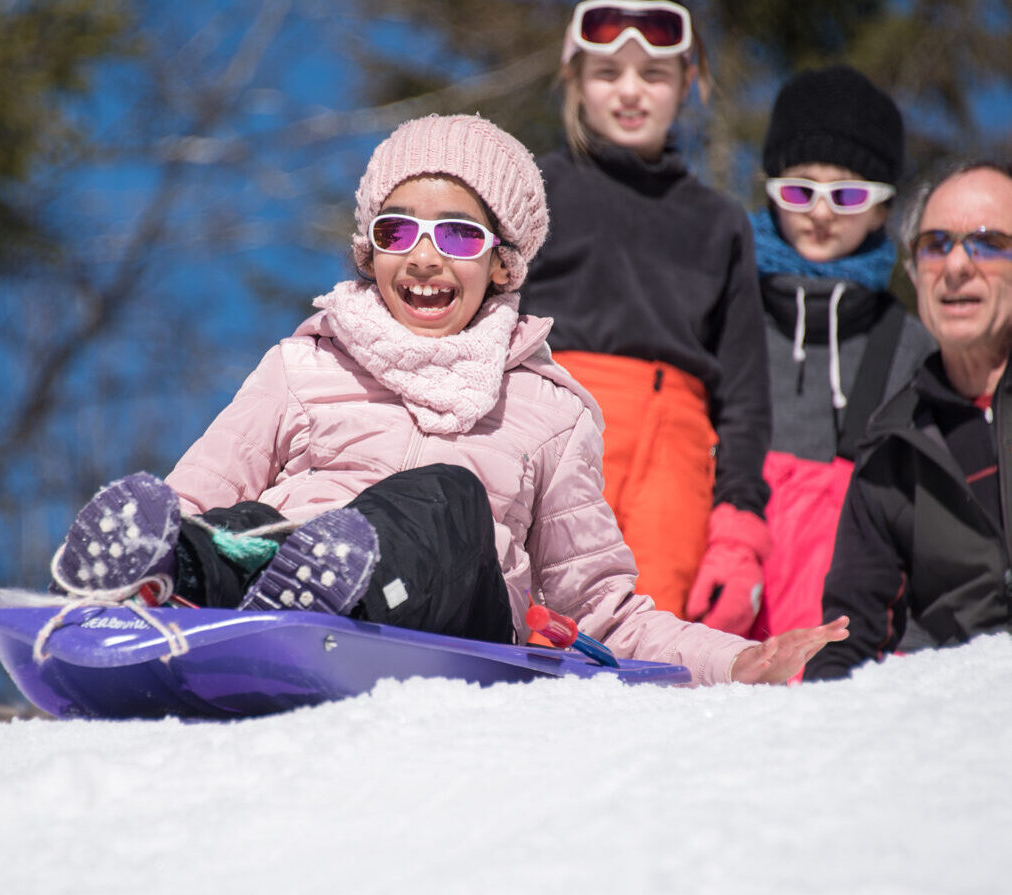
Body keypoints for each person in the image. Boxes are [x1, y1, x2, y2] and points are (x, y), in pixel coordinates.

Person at [47, 112, 846, 685]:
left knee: (447, 495)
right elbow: (196, 497)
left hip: (446, 618)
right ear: (369, 250)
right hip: (284, 585)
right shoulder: (302, 366)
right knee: (245, 528)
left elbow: (602, 608)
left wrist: (735, 659)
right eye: (399, 232)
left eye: (459, 235)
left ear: (502, 263)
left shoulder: (549, 410)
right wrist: (175, 536)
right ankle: (158, 584)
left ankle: (339, 588)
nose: (426, 257)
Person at [518, 0, 772, 629]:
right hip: (558, 435)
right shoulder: (533, 189)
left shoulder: (721, 222)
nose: (630, 91)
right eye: (608, 72)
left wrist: (738, 524)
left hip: (678, 457)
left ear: (688, 82)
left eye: (653, 75)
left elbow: (743, 392)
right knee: (536, 630)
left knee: (649, 643)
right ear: (574, 78)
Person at [747, 66, 936, 648]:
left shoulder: (912, 346)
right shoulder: (725, 314)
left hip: (850, 646)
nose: (822, 213)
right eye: (801, 191)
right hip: (723, 633)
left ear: (882, 210)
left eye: (848, 194)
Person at [805, 161, 1012, 680]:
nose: (957, 265)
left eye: (987, 242)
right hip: (960, 722)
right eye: (936, 244)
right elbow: (849, 637)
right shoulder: (891, 447)